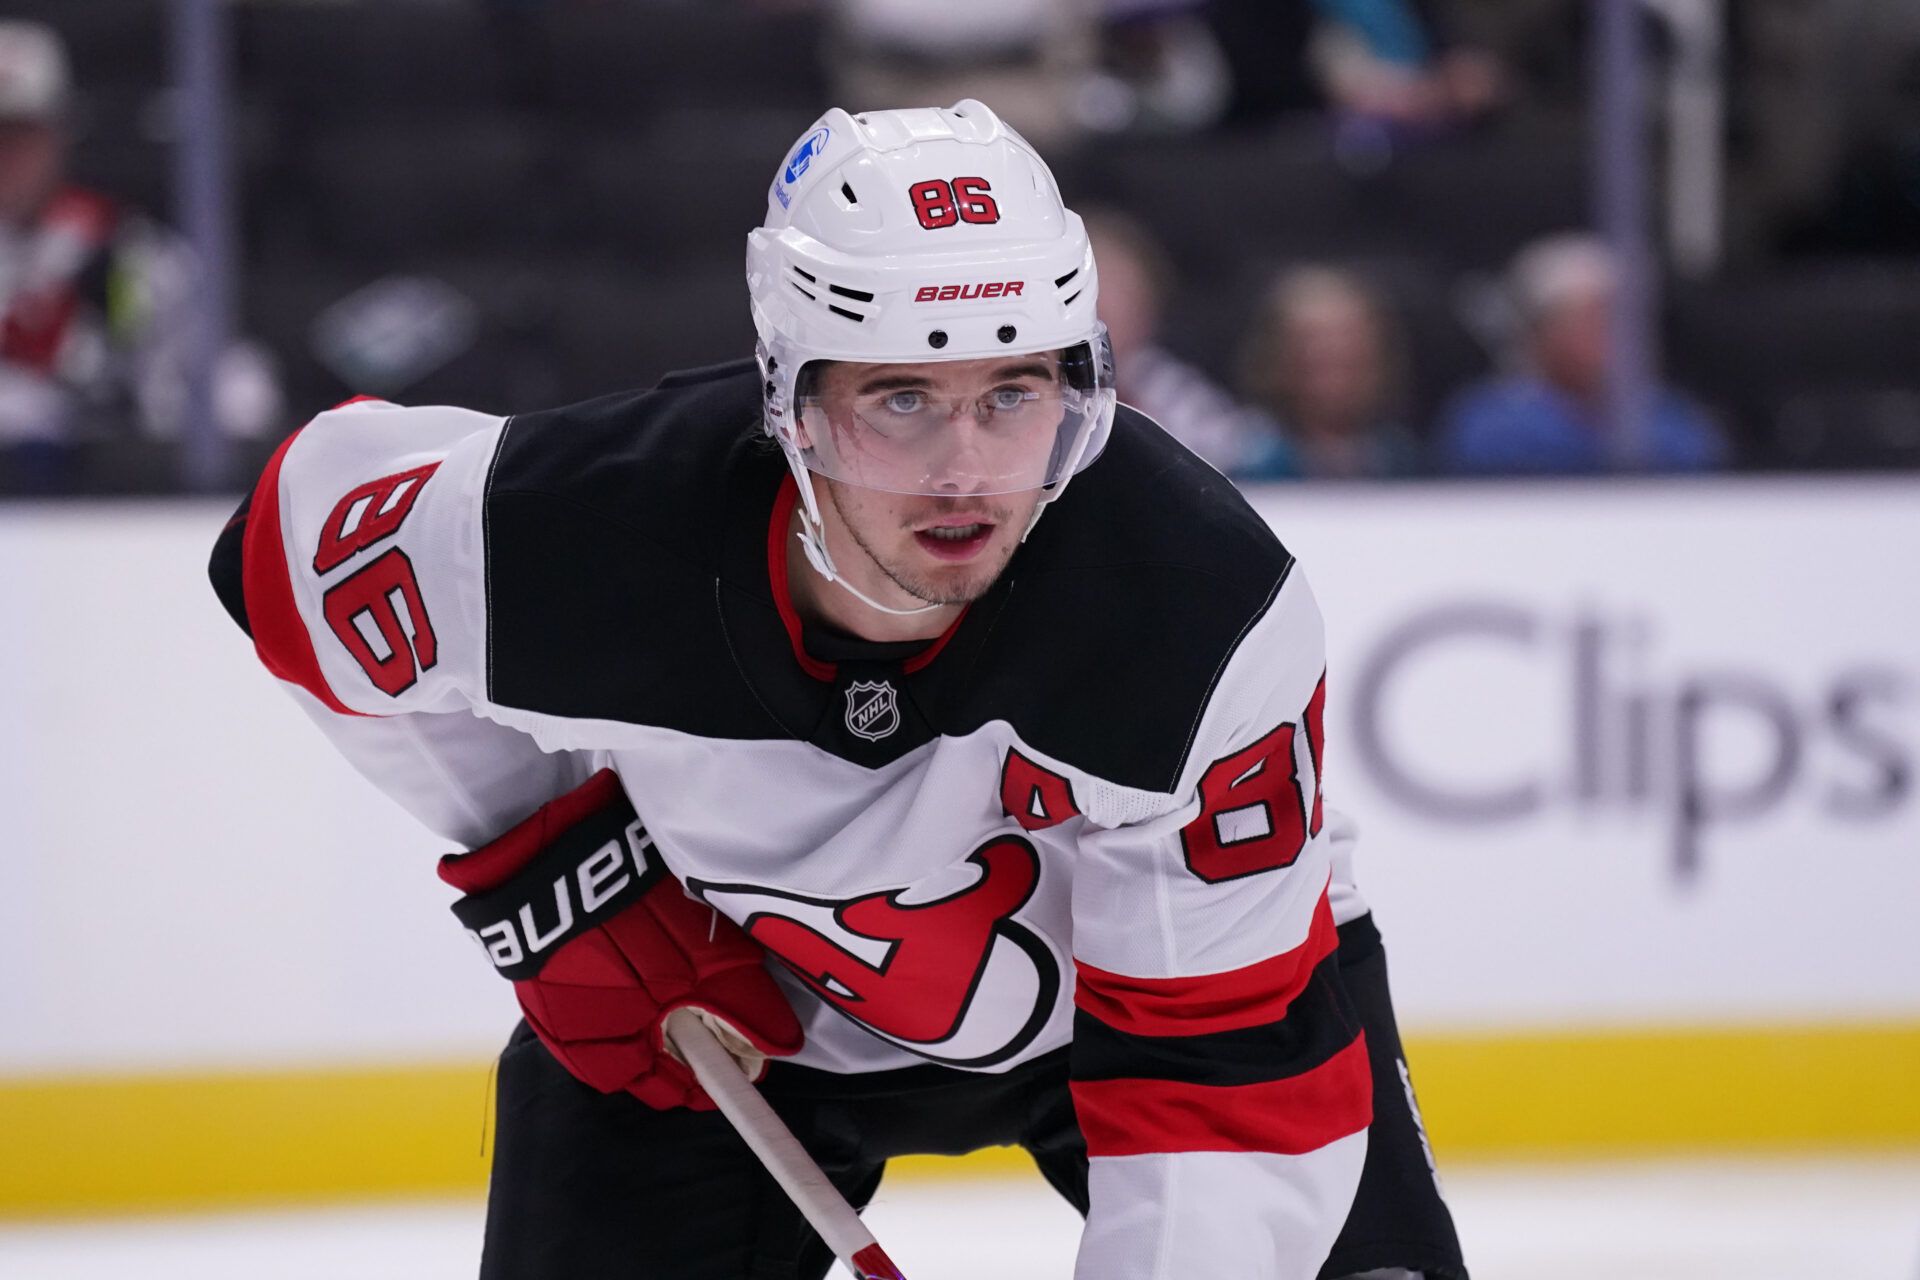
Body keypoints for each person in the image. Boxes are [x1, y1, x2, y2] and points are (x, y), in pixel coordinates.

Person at [208, 101, 1465, 1280]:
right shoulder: (590, 529)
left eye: (1014, 393)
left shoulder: (1195, 608)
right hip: (734, 1023)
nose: (966, 474)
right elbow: (289, 547)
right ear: (791, 402)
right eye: (902, 397)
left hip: (1143, 1017)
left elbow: (1213, 1095)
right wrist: (555, 866)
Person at [0, 20, 279, 491]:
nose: (7, 156)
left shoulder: (129, 249)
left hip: (111, 501)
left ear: (59, 134)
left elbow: (239, 388)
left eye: (21, 135)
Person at [1436, 233, 1725, 475]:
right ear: (1540, 332)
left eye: (1617, 319)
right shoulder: (1490, 422)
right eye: (1588, 320)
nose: (1609, 335)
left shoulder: (1672, 420)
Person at [1237, 266, 1423, 480]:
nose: (1336, 352)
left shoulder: (1400, 455)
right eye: (1313, 342)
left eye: (1350, 339)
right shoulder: (1254, 458)